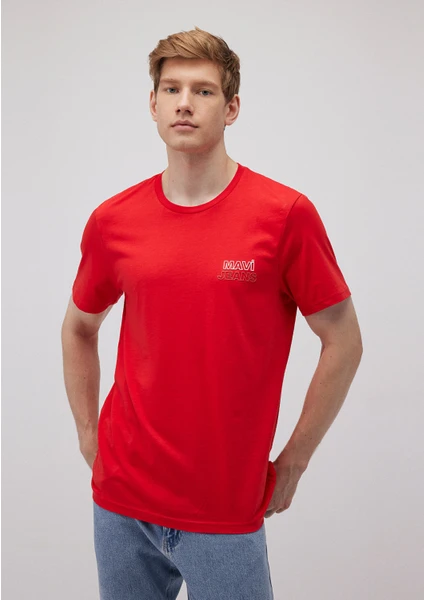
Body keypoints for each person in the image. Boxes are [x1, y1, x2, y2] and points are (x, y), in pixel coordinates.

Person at [61, 25, 363, 600]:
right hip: (121, 503)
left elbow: (344, 340)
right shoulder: (113, 221)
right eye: (171, 89)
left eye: (203, 91)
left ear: (231, 108)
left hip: (224, 508)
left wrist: (295, 461)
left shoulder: (284, 216)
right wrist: (88, 436)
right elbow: (78, 328)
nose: (184, 103)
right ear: (153, 104)